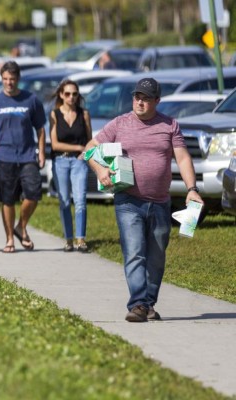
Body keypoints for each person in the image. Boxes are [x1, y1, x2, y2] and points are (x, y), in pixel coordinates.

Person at [84, 77, 203, 322]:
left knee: (157, 257)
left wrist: (192, 188)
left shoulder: (170, 125)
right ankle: (138, 303)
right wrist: (100, 169)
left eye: (146, 98)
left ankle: (147, 303)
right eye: (137, 96)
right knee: (135, 252)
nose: (140, 102)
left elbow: (182, 158)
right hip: (128, 200)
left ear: (157, 101)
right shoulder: (119, 124)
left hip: (160, 202)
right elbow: (89, 149)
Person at [0, 61, 46, 253]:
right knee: (7, 199)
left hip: (27, 156)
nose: (9, 83)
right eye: (5, 79)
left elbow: (40, 129)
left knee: (33, 194)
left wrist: (41, 152)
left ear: (18, 79)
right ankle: (9, 239)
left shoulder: (31, 100)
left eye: (12, 79)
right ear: (2, 79)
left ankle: (21, 226)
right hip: (3, 156)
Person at [49, 80, 92, 252]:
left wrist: (85, 152)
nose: (71, 97)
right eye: (67, 94)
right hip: (60, 161)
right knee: (65, 201)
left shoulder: (84, 114)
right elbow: (54, 144)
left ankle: (80, 239)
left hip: (79, 161)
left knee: (80, 200)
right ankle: (68, 239)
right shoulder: (54, 114)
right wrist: (78, 147)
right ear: (61, 95)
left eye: (74, 94)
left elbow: (89, 141)